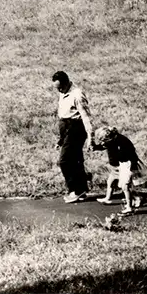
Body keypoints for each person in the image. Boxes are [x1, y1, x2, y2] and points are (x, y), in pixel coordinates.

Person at [52, 70, 94, 202]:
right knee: (76, 160)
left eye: (60, 87)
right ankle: (82, 189)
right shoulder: (62, 92)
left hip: (76, 128)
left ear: (67, 83)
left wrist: (90, 138)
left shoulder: (77, 95)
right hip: (66, 128)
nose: (59, 91)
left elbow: (86, 117)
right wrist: (60, 139)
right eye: (56, 88)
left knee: (65, 161)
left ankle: (74, 190)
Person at [91, 125, 145, 215]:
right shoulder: (111, 140)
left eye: (104, 141)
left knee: (126, 186)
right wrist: (96, 147)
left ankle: (130, 206)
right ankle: (130, 203)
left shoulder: (122, 142)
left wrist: (133, 168)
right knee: (123, 186)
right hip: (122, 165)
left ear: (109, 138)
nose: (103, 143)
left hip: (128, 164)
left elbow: (132, 155)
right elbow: (104, 146)